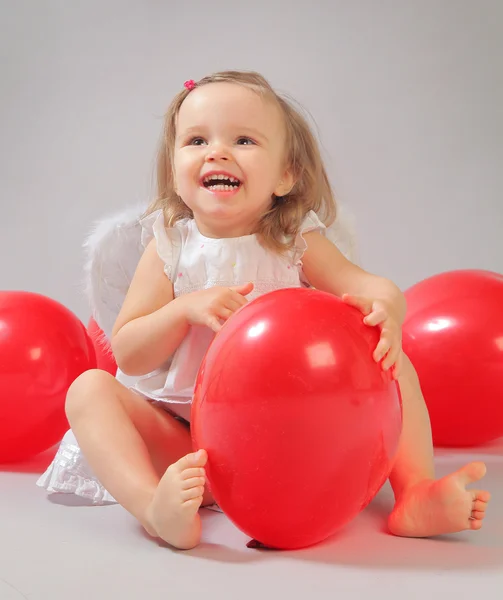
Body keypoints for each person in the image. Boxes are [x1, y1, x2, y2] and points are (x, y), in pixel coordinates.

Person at [65, 71, 490, 550]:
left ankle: (415, 492)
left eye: (243, 140)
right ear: (174, 169)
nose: (217, 152)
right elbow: (129, 354)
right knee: (88, 389)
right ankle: (153, 508)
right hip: (192, 451)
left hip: (290, 442)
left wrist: (384, 308)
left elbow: (371, 286)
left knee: (388, 356)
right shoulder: (169, 248)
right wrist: (183, 309)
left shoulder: (293, 241)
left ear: (286, 175)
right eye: (197, 139)